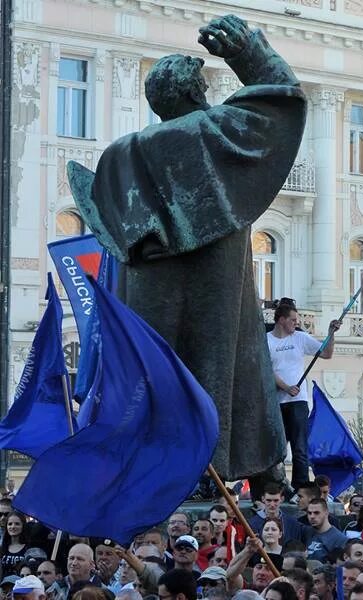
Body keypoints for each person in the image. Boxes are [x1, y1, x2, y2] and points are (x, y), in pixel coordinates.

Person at [67, 13, 307, 483]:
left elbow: (107, 226)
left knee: (153, 381)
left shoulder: (120, 154)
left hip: (146, 295)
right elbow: (283, 95)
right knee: (218, 372)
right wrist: (245, 52)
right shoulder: (216, 131)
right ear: (197, 93)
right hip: (217, 285)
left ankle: (152, 481)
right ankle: (213, 474)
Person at [268, 302, 340, 489]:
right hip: (277, 402)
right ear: (282, 320)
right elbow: (266, 370)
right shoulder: (267, 341)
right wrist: (285, 387)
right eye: (292, 320)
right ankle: (276, 482)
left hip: (298, 401)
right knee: (277, 447)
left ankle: (300, 483)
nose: (296, 323)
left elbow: (326, 353)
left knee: (300, 446)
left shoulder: (300, 338)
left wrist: (331, 333)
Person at [305, 498, 347, 563]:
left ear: (326, 513)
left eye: (316, 513)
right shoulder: (306, 532)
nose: (312, 516)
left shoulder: (339, 539)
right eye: (309, 513)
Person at [0, 514, 26, 578]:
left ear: (23, 526)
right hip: (3, 586)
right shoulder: (1, 548)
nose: (13, 527)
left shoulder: (28, 549)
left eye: (17, 524)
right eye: (10, 524)